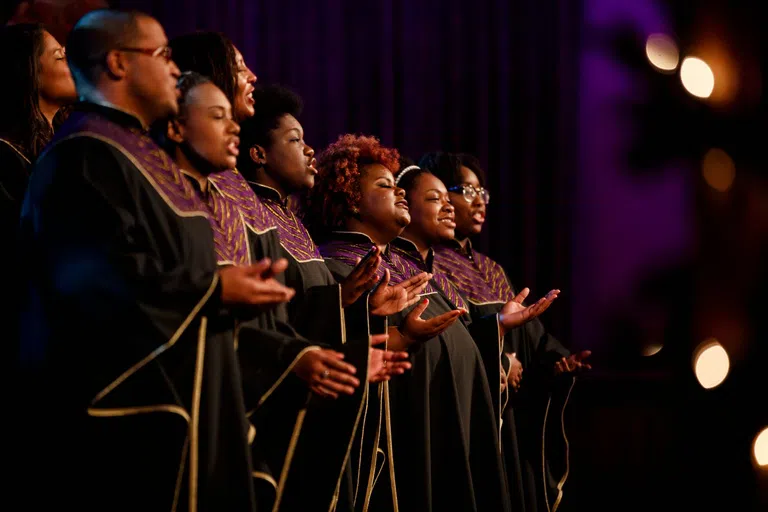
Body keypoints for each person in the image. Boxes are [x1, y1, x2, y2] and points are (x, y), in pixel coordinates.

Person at [16, 10, 294, 510]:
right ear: (118, 64)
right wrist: (216, 289)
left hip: (198, 400)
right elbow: (92, 279)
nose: (175, 70)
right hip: (130, 420)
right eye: (163, 55)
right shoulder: (84, 153)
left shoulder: (146, 158)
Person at [306, 135, 556, 512]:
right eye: (386, 186)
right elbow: (345, 350)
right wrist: (403, 337)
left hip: (445, 427)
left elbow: (455, 341)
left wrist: (496, 331)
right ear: (353, 199)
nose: (400, 194)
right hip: (405, 442)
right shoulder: (339, 266)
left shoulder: (408, 267)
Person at [421, 151, 591, 511]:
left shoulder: (490, 268)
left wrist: (557, 361)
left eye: (483, 192)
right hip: (474, 415)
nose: (480, 200)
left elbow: (533, 337)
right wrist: (498, 357)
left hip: (511, 416)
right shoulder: (430, 264)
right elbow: (452, 333)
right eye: (467, 190)